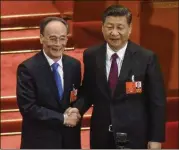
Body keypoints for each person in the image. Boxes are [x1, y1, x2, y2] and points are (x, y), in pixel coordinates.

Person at [71, 5, 166, 149]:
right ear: (102, 28)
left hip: (135, 136)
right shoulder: (91, 55)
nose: (114, 33)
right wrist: (77, 109)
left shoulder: (146, 58)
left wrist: (156, 138)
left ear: (130, 28)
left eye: (120, 27)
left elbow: (157, 102)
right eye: (109, 27)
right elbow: (88, 91)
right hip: (101, 135)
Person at [16, 17, 82, 149]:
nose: (58, 44)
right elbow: (28, 108)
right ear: (42, 38)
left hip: (69, 141)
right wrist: (62, 118)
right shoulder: (28, 69)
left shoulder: (74, 65)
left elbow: (76, 96)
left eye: (62, 38)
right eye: (52, 38)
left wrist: (77, 109)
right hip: (40, 142)